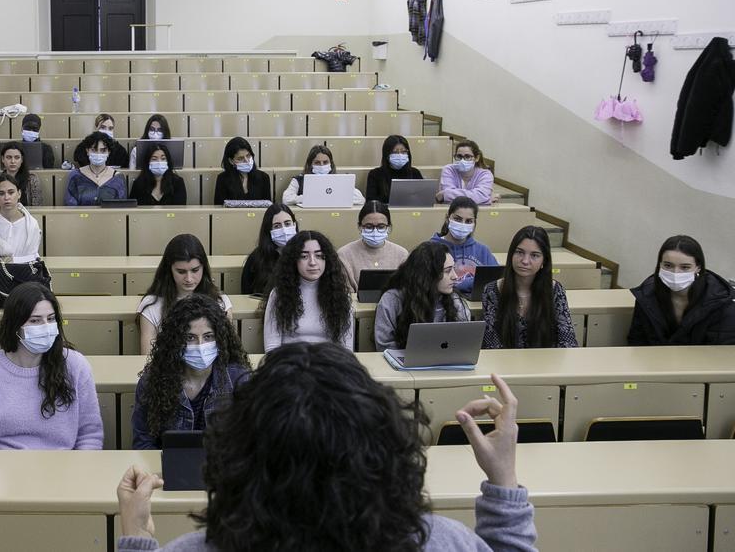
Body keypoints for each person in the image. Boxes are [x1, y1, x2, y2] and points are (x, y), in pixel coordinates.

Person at [116, 343, 535, 551]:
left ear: (239, 454)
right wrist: (503, 480)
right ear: (382, 447)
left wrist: (137, 538)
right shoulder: (441, 542)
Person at [0, 282, 104, 449]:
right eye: (35, 321)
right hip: (2, 470)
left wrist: (75, 472)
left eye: (51, 319)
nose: (46, 327)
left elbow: (90, 435)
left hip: (65, 469)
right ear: (14, 325)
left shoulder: (76, 365)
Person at [130, 294, 250, 450]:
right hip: (169, 468)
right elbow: (143, 441)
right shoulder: (152, 381)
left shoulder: (239, 379)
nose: (200, 345)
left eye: (208, 337)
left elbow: (252, 440)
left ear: (220, 339)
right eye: (190, 338)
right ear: (175, 341)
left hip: (224, 468)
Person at [628, 235, 735, 345]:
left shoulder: (721, 302)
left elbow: (723, 350)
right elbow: (637, 339)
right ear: (659, 264)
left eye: (685, 267)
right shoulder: (646, 295)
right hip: (654, 360)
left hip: (701, 361)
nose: (676, 273)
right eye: (668, 265)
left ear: (698, 267)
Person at [482, 226, 577, 349]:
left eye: (534, 255)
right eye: (519, 252)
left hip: (546, 363)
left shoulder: (555, 290)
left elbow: (568, 341)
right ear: (511, 254)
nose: (525, 261)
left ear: (544, 261)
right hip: (505, 363)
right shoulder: (492, 291)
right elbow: (492, 344)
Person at [138, 234, 234, 355]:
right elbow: (147, 359)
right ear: (169, 270)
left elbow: (227, 352)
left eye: (195, 270)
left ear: (203, 268)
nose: (189, 279)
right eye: (181, 272)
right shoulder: (152, 305)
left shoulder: (220, 302)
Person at [263, 231, 354, 351]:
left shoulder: (341, 295)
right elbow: (271, 347)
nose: (312, 262)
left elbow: (346, 347)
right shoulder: (278, 294)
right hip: (289, 363)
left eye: (319, 256)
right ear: (294, 261)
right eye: (304, 256)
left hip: (329, 364)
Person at [375, 241, 471, 351]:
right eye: (448, 271)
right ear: (427, 274)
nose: (455, 276)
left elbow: (463, 343)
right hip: (402, 365)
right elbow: (384, 346)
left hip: (447, 364)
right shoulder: (392, 300)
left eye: (454, 269)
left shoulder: (455, 301)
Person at [431, 196, 498, 295]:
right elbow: (429, 282)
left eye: (469, 221)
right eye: (457, 219)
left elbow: (495, 280)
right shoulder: (431, 247)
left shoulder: (483, 250)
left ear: (474, 223)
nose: (462, 224)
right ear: (447, 218)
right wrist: (471, 283)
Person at [337, 200, 409, 293]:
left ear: (389, 227)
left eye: (381, 226)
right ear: (360, 227)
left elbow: (405, 289)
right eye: (369, 226)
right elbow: (345, 293)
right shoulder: (344, 254)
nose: (375, 231)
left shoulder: (402, 254)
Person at [239, 204, 298, 296]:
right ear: (269, 230)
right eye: (277, 226)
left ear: (294, 224)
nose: (284, 230)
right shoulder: (256, 258)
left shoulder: (304, 254)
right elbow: (246, 293)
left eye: (287, 224)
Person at [282, 145, 365, 207]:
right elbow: (286, 199)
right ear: (310, 164)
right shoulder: (299, 180)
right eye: (317, 162)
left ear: (331, 164)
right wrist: (310, 198)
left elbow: (360, 199)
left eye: (325, 162)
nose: (322, 165)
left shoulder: (339, 180)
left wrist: (330, 197)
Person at [0, 173, 42, 261]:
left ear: (19, 194)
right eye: (1, 193)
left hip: (23, 271)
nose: (7, 197)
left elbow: (32, 257)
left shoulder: (32, 224)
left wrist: (12, 261)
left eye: (11, 192)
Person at [65, 132, 127, 205]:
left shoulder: (118, 178)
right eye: (94, 150)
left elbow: (121, 209)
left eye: (103, 150)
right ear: (87, 151)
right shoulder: (75, 176)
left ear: (109, 152)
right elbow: (70, 207)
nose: (98, 154)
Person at [364, 135, 424, 203]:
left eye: (403, 151)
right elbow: (370, 200)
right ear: (387, 154)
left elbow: (424, 197)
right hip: (385, 212)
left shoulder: (415, 173)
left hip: (410, 211)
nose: (400, 155)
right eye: (395, 152)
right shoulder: (375, 174)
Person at [212, 136, 271, 204]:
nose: (246, 161)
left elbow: (267, 208)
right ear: (231, 161)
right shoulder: (222, 179)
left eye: (248, 155)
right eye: (240, 158)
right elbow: (219, 208)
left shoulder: (264, 177)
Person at [438, 139, 496, 205]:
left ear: (477, 158)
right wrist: (486, 200)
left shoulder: (485, 174)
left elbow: (447, 195)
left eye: (467, 156)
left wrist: (446, 194)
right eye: (459, 156)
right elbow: (448, 200)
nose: (462, 160)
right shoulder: (449, 170)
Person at [128, 141, 187, 206]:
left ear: (168, 162)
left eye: (163, 158)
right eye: (154, 159)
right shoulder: (139, 184)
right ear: (148, 162)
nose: (159, 162)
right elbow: (133, 209)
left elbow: (180, 210)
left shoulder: (177, 182)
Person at [0, 140, 43, 207]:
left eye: (17, 157)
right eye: (9, 157)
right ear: (2, 159)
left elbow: (37, 207)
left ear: (22, 159)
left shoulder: (32, 180)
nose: (13, 161)